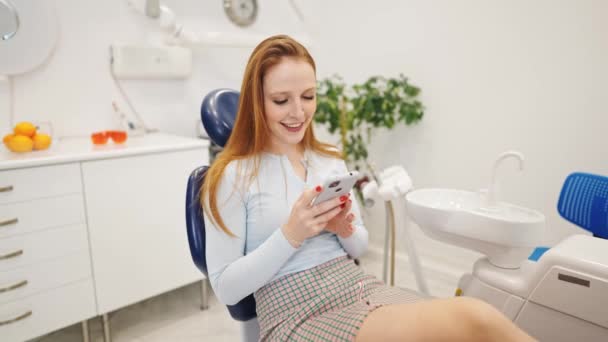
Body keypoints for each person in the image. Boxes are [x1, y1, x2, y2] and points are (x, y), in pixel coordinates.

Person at [201, 35, 535, 341]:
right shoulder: (231, 176)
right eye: (280, 100)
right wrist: (291, 234)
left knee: (468, 327)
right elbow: (228, 290)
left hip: (356, 286)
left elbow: (359, 246)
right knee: (474, 318)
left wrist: (344, 228)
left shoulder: (328, 160)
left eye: (308, 96)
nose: (298, 112)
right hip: (296, 314)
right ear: (256, 103)